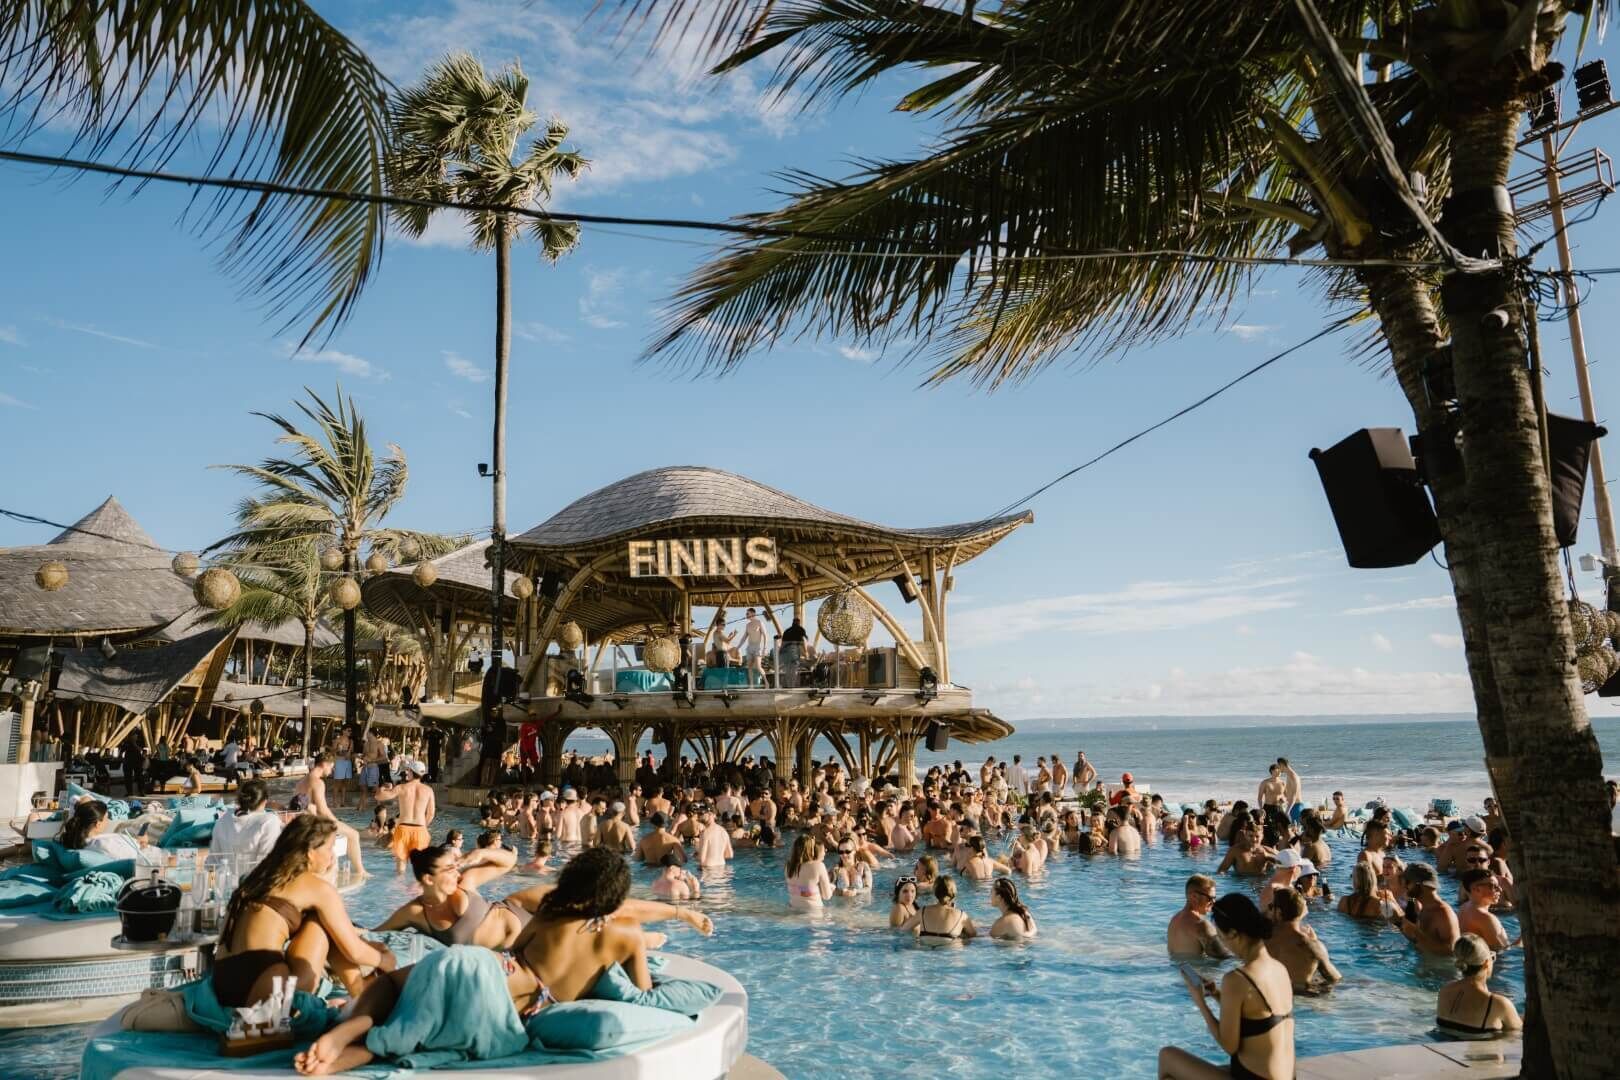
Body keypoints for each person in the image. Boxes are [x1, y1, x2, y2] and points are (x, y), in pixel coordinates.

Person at [295, 849, 654, 1077]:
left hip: (482, 966)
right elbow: (642, 995)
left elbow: (515, 955)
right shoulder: (629, 935)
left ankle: (343, 1035)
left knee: (391, 986)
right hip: (513, 1005)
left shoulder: (549, 913)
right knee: (432, 1027)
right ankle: (362, 1052)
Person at [214, 816, 395, 1009]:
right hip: (269, 992)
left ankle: (360, 992)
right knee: (320, 920)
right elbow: (354, 952)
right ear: (310, 852)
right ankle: (361, 992)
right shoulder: (318, 889)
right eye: (329, 848)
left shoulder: (259, 876)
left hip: (223, 985)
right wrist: (385, 960)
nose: (332, 856)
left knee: (323, 919)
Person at [1159, 894, 1295, 1080]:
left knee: (1167, 1057)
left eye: (1221, 936)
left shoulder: (1237, 979)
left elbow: (1229, 1045)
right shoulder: (1280, 969)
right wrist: (1216, 994)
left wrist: (1200, 1003)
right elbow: (1257, 1017)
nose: (1222, 942)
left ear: (1232, 933)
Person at [290, 754, 369, 880]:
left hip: (302, 821)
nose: (332, 771)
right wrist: (336, 821)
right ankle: (361, 872)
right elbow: (323, 810)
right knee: (354, 835)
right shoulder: (318, 782)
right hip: (315, 822)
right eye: (331, 767)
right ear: (324, 764)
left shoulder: (302, 781)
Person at [1435, 934, 1524, 1040]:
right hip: (1483, 1054)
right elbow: (1519, 1031)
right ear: (1486, 963)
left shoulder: (1444, 991)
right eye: (1492, 956)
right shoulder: (1497, 1004)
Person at [1267, 889, 1341, 993]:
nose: (1269, 911)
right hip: (1303, 999)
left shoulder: (1261, 941)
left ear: (1279, 913)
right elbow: (1335, 979)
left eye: (1271, 907)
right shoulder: (1312, 947)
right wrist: (1315, 943)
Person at [210, 779, 283, 875]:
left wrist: (213, 887)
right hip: (254, 886)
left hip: (225, 885)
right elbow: (267, 865)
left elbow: (211, 864)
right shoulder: (269, 821)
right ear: (265, 800)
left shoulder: (222, 822)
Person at [374, 761, 435, 873]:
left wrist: (382, 787)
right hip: (420, 829)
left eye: (408, 770)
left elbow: (378, 797)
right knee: (420, 868)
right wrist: (423, 827)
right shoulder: (428, 790)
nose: (407, 773)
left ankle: (399, 888)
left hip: (403, 829)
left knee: (400, 868)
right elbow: (431, 813)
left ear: (411, 772)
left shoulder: (401, 788)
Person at [1393, 862, 1460, 957]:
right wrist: (1398, 922)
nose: (1404, 886)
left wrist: (1415, 931)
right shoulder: (1425, 908)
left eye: (1407, 882)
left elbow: (1451, 952)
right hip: (1425, 967)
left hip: (1442, 971)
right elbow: (1420, 943)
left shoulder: (1442, 913)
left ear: (1421, 885)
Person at [60, 800, 157, 864]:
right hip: (153, 858)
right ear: (98, 824)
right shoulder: (104, 844)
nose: (108, 821)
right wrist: (142, 844)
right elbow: (137, 858)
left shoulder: (86, 841)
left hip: (143, 849)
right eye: (107, 818)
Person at [1168, 874, 1227, 958]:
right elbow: (1223, 957)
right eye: (1210, 898)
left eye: (1215, 898)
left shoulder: (1174, 920)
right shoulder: (1201, 925)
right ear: (1194, 896)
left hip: (1180, 970)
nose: (1213, 902)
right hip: (1198, 970)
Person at [905, 875, 976, 943]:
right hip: (951, 950)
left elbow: (904, 929)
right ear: (953, 893)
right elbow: (973, 935)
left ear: (935, 892)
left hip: (926, 948)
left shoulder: (923, 912)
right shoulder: (961, 915)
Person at [1456, 869, 1514, 950]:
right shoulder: (1486, 918)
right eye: (1493, 886)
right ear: (1477, 889)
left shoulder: (1464, 908)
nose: (1500, 889)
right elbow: (1504, 951)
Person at [786, 833, 834, 908]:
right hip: (814, 913)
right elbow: (827, 896)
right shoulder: (818, 866)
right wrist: (831, 888)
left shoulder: (788, 867)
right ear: (811, 850)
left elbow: (800, 890)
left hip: (793, 910)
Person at [740, 607, 768, 687]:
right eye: (746, 613)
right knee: (749, 667)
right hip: (749, 647)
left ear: (753, 614)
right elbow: (744, 637)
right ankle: (751, 685)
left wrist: (764, 648)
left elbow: (765, 635)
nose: (746, 615)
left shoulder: (759, 622)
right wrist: (738, 647)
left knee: (758, 667)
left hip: (757, 647)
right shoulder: (747, 625)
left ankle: (766, 682)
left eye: (747, 613)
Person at [329, 729, 354, 808]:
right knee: (337, 783)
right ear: (343, 731)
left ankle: (343, 802)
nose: (350, 732)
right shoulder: (337, 740)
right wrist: (337, 749)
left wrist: (349, 751)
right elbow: (332, 752)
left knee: (345, 783)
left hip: (348, 762)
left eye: (350, 731)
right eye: (348, 730)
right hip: (339, 762)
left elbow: (352, 752)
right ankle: (334, 802)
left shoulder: (351, 741)